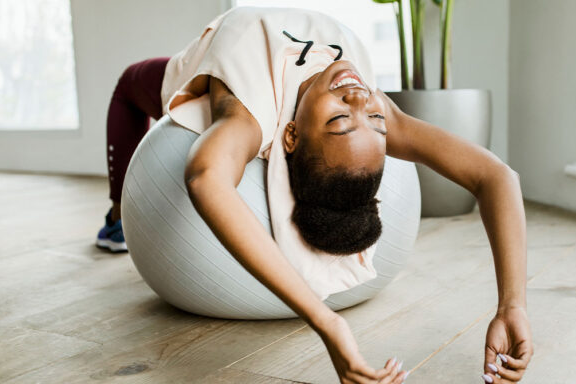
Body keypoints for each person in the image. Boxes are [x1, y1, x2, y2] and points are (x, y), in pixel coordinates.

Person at [97, 6, 531, 384]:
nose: (359, 97)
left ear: (289, 136)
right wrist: (514, 305)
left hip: (204, 60)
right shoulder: (374, 103)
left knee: (125, 88)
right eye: (375, 120)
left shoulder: (248, 115)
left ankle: (118, 216)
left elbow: (205, 177)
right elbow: (496, 177)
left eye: (341, 119)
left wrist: (327, 323)